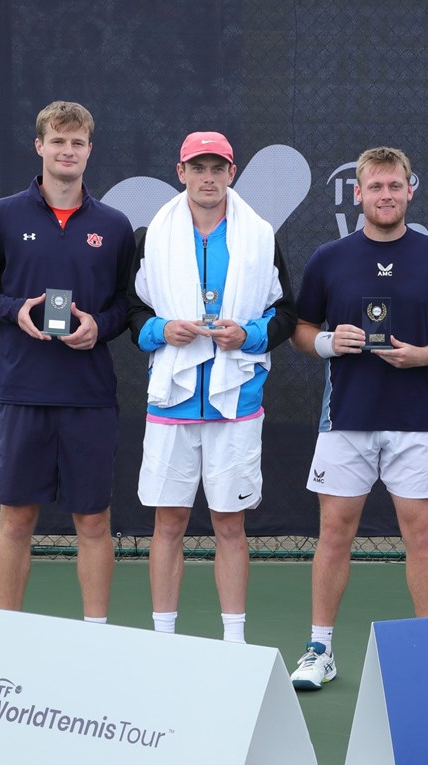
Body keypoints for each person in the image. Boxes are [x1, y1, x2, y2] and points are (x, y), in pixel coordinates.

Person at [289, 146, 428, 689]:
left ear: (410, 190)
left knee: (421, 536)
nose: (386, 195)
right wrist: (328, 341)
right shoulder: (329, 257)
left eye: (395, 186)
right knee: (334, 533)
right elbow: (301, 331)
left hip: (416, 423)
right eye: (376, 187)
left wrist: (423, 355)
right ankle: (320, 649)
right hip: (343, 422)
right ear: (359, 194)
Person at [0, 101, 135, 622]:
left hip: (90, 398)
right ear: (39, 147)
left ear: (90, 152)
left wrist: (98, 326)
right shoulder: (3, 215)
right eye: (58, 141)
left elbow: (129, 306)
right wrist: (17, 311)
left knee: (94, 522)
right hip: (23, 393)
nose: (67, 151)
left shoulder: (116, 225)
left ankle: (95, 633)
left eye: (77, 143)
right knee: (14, 520)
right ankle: (8, 630)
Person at [127, 131, 295, 644]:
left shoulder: (260, 236)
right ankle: (163, 639)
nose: (207, 178)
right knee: (169, 524)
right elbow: (134, 313)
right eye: (197, 168)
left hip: (235, 403)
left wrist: (250, 334)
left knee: (229, 526)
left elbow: (286, 313)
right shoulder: (153, 236)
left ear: (232, 173)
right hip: (172, 402)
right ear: (180, 172)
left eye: (216, 168)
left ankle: (234, 642)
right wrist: (161, 331)